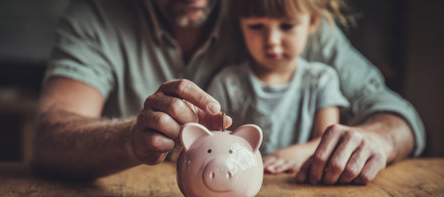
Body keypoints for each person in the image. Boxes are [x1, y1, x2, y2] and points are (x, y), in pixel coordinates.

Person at [31, 0, 425, 184]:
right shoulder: (95, 16)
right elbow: (50, 136)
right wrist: (131, 139)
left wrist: (378, 138)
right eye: (258, 29)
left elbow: (394, 113)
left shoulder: (278, 9)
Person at [207, 0, 350, 176]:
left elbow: (328, 139)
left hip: (301, 188)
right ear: (240, 24)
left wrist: (299, 153)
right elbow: (210, 142)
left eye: (287, 26)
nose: (272, 41)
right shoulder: (227, 83)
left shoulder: (322, 80)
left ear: (312, 22)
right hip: (238, 184)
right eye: (256, 26)